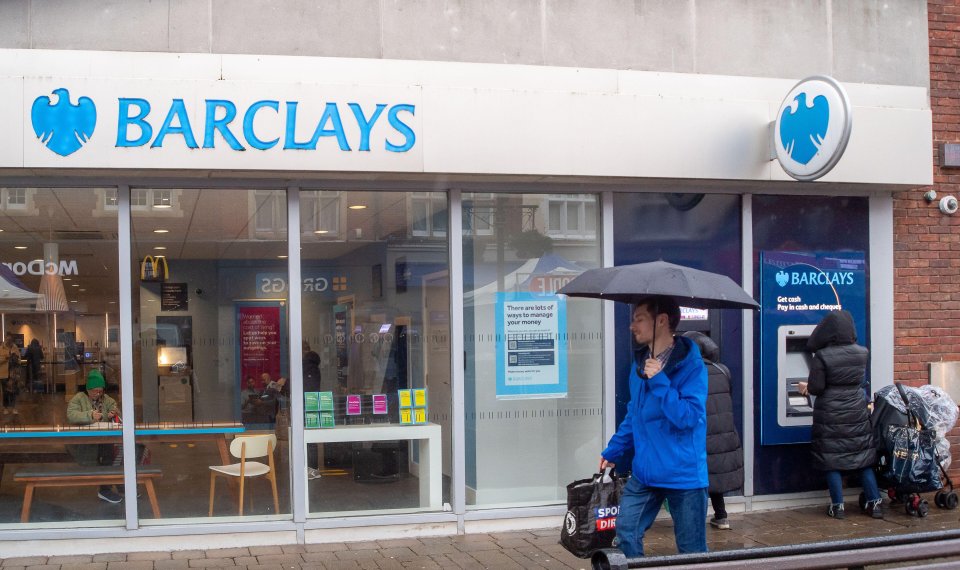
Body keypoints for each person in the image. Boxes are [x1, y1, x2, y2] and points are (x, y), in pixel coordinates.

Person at [599, 296, 709, 557]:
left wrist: (659, 379)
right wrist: (614, 451)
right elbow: (634, 415)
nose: (632, 326)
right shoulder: (640, 365)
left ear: (661, 321)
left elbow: (688, 417)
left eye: (639, 319)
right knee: (625, 533)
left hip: (683, 475)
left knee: (692, 553)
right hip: (646, 472)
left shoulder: (692, 367)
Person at [798, 310, 882, 520]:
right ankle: (875, 504)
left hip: (831, 414)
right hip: (856, 409)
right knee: (862, 459)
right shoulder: (862, 352)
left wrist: (805, 387)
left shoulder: (823, 356)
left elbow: (817, 387)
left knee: (832, 460)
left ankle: (838, 507)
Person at [683, 331, 744, 531]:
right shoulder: (723, 369)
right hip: (723, 431)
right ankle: (721, 516)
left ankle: (694, 520)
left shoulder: (688, 373)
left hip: (701, 431)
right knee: (715, 471)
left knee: (699, 475)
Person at [67, 369, 122, 504]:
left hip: (104, 438)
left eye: (100, 391)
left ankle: (113, 485)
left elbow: (115, 408)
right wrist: (89, 415)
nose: (98, 394)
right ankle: (107, 487)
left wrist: (113, 413)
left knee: (116, 453)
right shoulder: (78, 398)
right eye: (95, 391)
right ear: (88, 389)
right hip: (85, 441)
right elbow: (71, 415)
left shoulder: (107, 399)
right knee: (108, 455)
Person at [302, 342, 323, 480]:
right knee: (308, 437)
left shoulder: (309, 367)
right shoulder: (312, 366)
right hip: (310, 404)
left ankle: (313, 469)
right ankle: (310, 467)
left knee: (309, 437)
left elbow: (307, 387)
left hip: (309, 405)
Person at [0, 334, 21, 415]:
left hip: (13, 374)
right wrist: (5, 358)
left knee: (13, 392)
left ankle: (14, 408)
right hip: (3, 374)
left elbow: (19, 360)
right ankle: (5, 408)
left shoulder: (15, 348)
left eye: (10, 340)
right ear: (5, 339)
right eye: (7, 339)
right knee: (5, 392)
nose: (9, 341)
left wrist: (16, 359)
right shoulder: (1, 348)